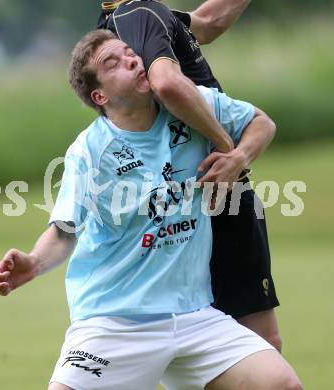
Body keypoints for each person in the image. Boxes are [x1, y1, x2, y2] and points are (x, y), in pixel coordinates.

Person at [0, 30, 302, 390]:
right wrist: (33, 262)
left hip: (194, 315)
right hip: (115, 321)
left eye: (129, 53)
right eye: (114, 63)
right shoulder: (90, 152)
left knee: (282, 385)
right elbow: (65, 230)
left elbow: (261, 123)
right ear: (100, 95)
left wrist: (238, 158)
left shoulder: (192, 107)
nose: (133, 60)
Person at [96, 0, 282, 351]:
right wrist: (227, 146)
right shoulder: (138, 11)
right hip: (213, 190)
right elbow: (166, 83)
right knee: (257, 340)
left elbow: (208, 22)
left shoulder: (131, 15)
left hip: (186, 195)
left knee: (206, 344)